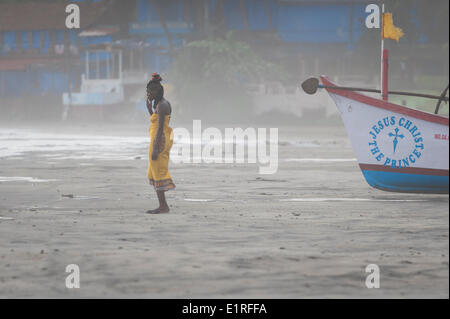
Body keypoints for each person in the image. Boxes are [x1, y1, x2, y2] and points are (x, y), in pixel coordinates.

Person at [145, 72, 175, 214]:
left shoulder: (163, 105)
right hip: (158, 138)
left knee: (158, 170)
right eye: (147, 91)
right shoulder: (160, 104)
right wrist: (150, 110)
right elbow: (157, 122)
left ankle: (163, 206)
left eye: (150, 91)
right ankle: (162, 205)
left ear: (157, 91)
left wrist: (156, 148)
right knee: (155, 170)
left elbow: (160, 128)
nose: (148, 94)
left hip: (160, 140)